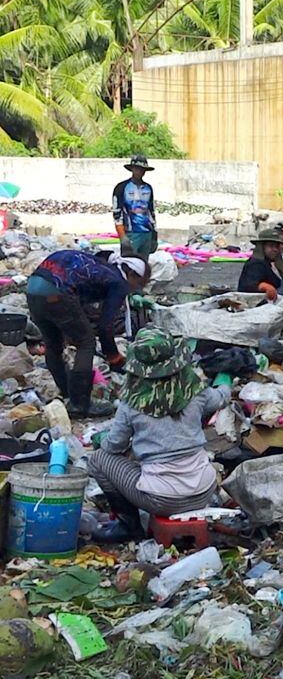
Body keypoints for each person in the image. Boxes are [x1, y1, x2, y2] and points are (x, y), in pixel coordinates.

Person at [89, 329, 229, 542]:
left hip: (161, 500)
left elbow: (113, 447)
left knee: (98, 460)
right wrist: (226, 378)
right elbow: (221, 398)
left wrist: (102, 439)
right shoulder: (195, 391)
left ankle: (128, 526)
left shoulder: (131, 403)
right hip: (203, 491)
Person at [26, 250, 148, 418]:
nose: (135, 289)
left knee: (53, 344)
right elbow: (105, 327)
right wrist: (114, 358)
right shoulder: (119, 282)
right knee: (86, 342)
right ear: (132, 274)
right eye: (139, 284)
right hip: (57, 291)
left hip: (33, 289)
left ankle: (68, 393)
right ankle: (80, 404)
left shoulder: (102, 267)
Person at [112, 155, 158, 257]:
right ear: (132, 169)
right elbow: (117, 214)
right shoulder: (121, 188)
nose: (140, 172)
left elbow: (151, 211)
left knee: (143, 266)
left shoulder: (148, 188)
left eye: (142, 169)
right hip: (131, 233)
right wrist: (122, 236)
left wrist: (154, 234)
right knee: (130, 265)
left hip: (147, 233)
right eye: (137, 168)